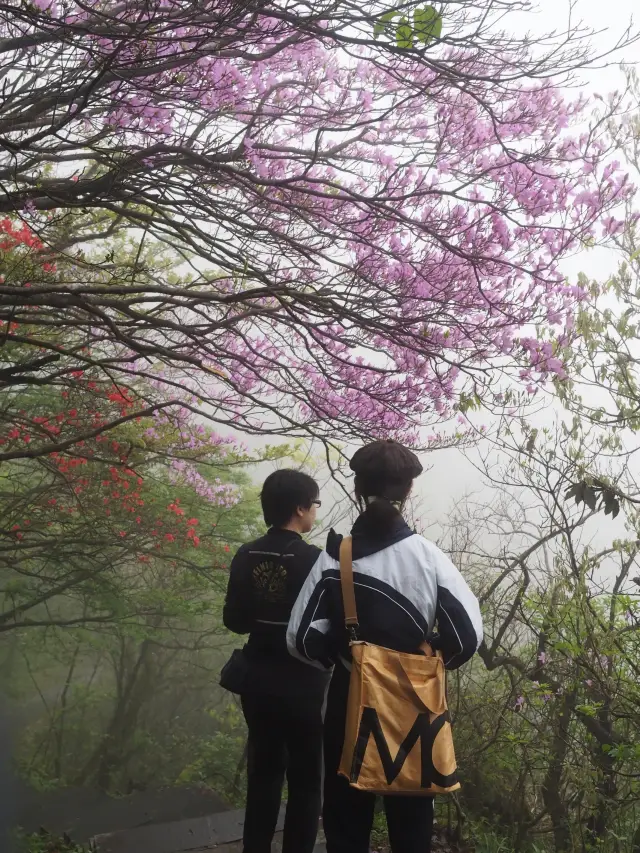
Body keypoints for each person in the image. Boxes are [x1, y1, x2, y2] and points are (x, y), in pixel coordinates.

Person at [287, 439, 483, 853]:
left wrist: (346, 657)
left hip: (349, 700)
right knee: (412, 824)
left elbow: (302, 639)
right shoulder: (429, 558)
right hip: (414, 701)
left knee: (345, 817)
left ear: (358, 488)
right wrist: (432, 651)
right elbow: (466, 637)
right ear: (408, 491)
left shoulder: (333, 558)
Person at [223, 468, 329, 853]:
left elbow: (233, 621)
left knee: (264, 773)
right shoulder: (317, 561)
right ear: (300, 508)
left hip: (258, 681)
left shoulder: (246, 553)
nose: (315, 511)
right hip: (303, 684)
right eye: (314, 503)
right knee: (305, 780)